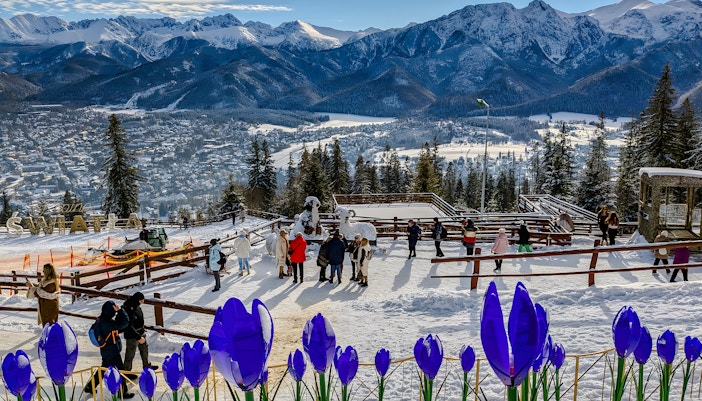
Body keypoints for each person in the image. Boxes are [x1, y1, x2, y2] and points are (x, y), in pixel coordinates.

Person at [83, 300, 134, 398]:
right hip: (111, 350)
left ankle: (90, 387)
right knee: (120, 370)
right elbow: (124, 323)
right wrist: (120, 310)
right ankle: (122, 392)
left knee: (104, 368)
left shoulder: (100, 320)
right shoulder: (107, 323)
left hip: (104, 349)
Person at [122, 292, 156, 373]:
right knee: (130, 354)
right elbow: (129, 326)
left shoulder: (137, 307)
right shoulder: (128, 309)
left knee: (144, 349)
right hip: (132, 335)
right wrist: (138, 337)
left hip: (141, 332)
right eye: (141, 300)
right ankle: (126, 372)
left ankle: (146, 365)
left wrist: (142, 333)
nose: (143, 302)